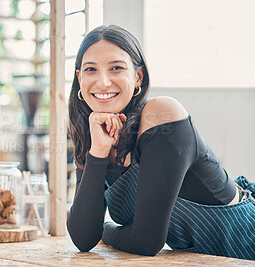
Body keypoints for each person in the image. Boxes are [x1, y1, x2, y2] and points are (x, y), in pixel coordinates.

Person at [66, 24, 255, 260]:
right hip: (199, 260)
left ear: (138, 77)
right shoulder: (93, 134)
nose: (103, 82)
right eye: (91, 69)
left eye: (116, 68)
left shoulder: (162, 114)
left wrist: (107, 231)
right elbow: (83, 238)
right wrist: (99, 151)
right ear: (79, 79)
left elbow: (146, 241)